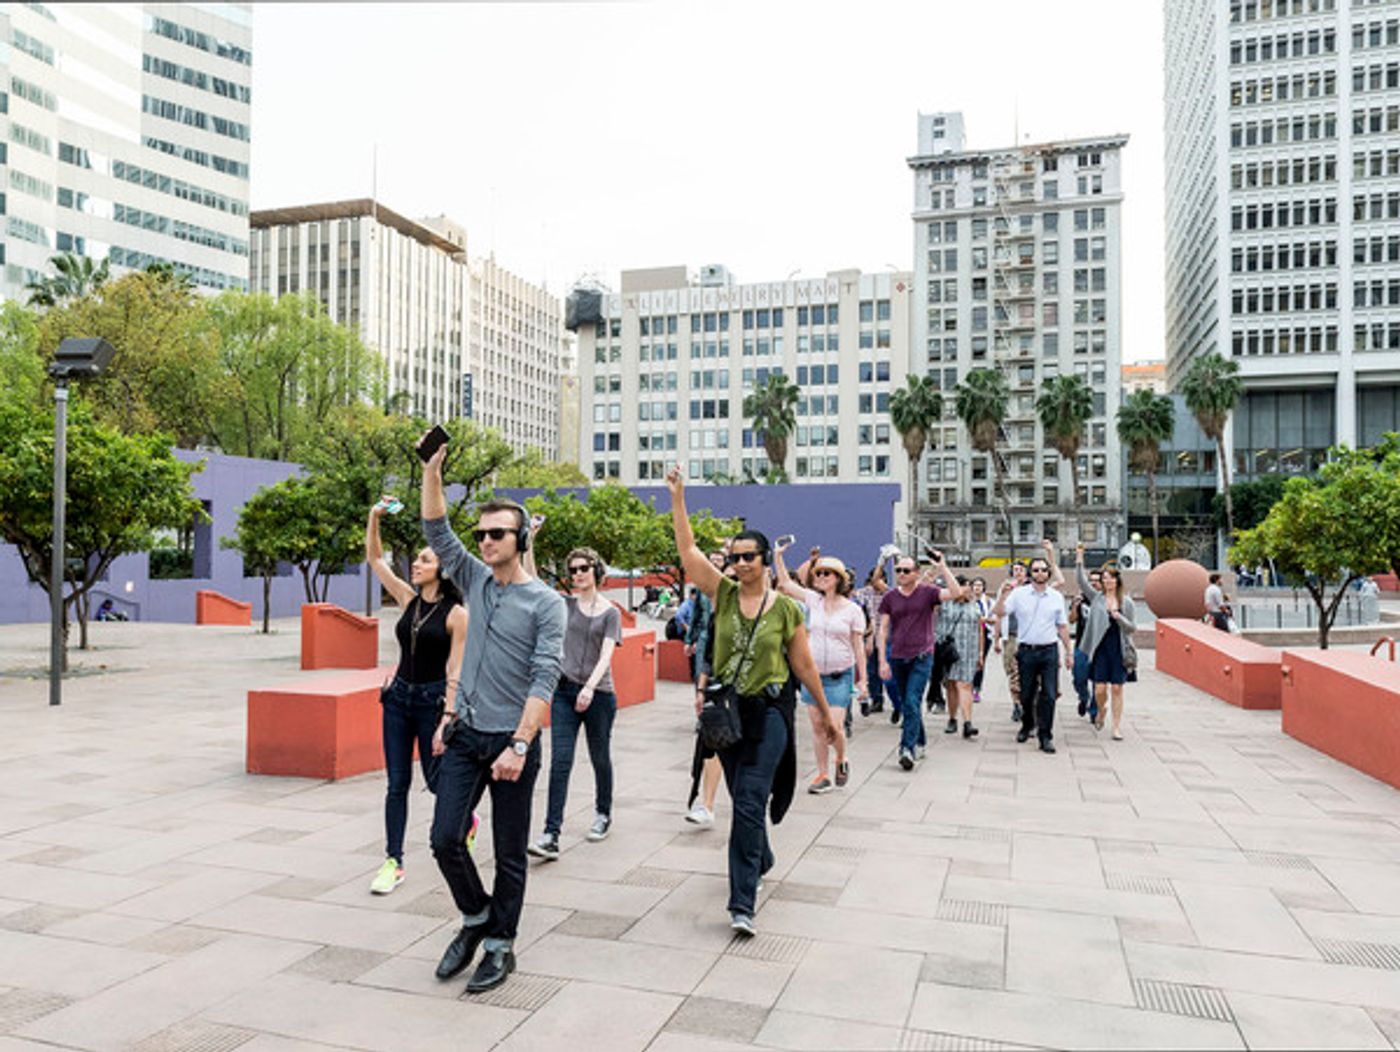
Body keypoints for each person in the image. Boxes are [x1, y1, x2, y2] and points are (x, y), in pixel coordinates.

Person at [667, 465, 841, 937]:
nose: (740, 564)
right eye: (735, 557)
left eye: (749, 557)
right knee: (743, 801)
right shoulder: (721, 595)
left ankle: (741, 903)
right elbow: (687, 552)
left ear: (766, 561)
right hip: (728, 717)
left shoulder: (787, 608)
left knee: (748, 801)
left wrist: (827, 717)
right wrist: (678, 497)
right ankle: (761, 856)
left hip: (770, 714)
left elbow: (804, 667)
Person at [419, 438, 566, 995]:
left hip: (511, 742)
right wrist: (433, 469)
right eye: (481, 534)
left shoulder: (547, 604)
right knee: (444, 838)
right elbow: (437, 529)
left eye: (496, 533)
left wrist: (522, 743)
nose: (484, 541)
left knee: (509, 852)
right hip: (465, 734)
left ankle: (502, 945)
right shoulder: (476, 579)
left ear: (521, 538)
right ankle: (478, 917)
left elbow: (544, 676)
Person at [364, 499, 470, 897]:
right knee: (397, 784)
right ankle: (394, 860)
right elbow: (375, 558)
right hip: (397, 700)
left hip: (431, 703)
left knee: (436, 781)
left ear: (441, 567)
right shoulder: (408, 600)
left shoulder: (457, 614)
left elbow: (455, 668)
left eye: (424, 560)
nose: (416, 564)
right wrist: (374, 518)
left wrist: (448, 714)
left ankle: (466, 822)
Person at [528, 547, 623, 861]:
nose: (578, 574)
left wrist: (591, 688)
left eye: (583, 568)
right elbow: (532, 581)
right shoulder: (564, 605)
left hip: (599, 695)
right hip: (565, 692)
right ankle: (551, 834)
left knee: (599, 756)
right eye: (573, 570)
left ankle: (603, 813)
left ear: (596, 570)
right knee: (561, 762)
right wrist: (531, 543)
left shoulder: (611, 612)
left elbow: (607, 654)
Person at [774, 542, 866, 794]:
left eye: (827, 573)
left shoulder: (853, 610)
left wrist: (864, 680)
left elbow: (858, 647)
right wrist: (778, 556)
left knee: (833, 726)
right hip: (813, 675)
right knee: (816, 726)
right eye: (818, 573)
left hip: (839, 676)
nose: (821, 577)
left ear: (838, 579)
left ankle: (841, 758)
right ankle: (822, 774)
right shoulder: (812, 601)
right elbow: (784, 584)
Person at [877, 549, 967, 771]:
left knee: (911, 701)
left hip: (922, 656)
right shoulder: (890, 597)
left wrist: (943, 566)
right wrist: (882, 661)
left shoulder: (928, 592)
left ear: (917, 573)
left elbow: (955, 592)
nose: (901, 574)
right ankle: (921, 741)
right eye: (898, 570)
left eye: (906, 570)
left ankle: (906, 749)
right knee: (911, 703)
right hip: (898, 656)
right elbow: (883, 630)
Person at [992, 554, 1072, 755]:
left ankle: (1046, 736)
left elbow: (1062, 626)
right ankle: (1027, 725)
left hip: (1049, 651)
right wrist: (1003, 595)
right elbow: (999, 612)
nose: (1040, 573)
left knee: (1050, 695)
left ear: (1048, 573)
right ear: (1030, 573)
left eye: (1044, 570)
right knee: (1026, 695)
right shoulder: (1019, 595)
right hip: (1026, 651)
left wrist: (1069, 651)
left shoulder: (1056, 597)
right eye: (1035, 570)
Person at [1077, 550, 1138, 740]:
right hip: (1100, 649)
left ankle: (1116, 727)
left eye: (1111, 578)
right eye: (1105, 578)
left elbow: (1132, 628)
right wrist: (1080, 557)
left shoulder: (1126, 602)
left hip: (1119, 649)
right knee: (1100, 689)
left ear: (1117, 581)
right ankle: (1101, 709)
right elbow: (1081, 581)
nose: (1108, 581)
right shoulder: (1096, 598)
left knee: (1117, 688)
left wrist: (1119, 617)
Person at [936, 574, 983, 739]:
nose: (967, 589)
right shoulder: (944, 605)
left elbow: (979, 629)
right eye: (963, 585)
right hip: (950, 652)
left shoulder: (974, 605)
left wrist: (981, 653)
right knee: (951, 685)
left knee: (965, 685)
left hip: (969, 651)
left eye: (968, 586)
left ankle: (968, 723)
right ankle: (952, 718)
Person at [853, 567, 891, 716]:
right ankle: (876, 699)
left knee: (887, 671)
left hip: (888, 637)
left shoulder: (890, 594)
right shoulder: (864, 593)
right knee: (871, 670)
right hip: (869, 636)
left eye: (882, 579)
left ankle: (896, 701)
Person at [994, 561, 1028, 721]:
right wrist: (996, 639)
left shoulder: (1032, 588)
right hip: (1011, 636)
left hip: (1028, 636)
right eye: (1015, 570)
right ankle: (1016, 704)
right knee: (1012, 672)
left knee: (1026, 673)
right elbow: (999, 614)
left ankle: (1025, 703)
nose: (1018, 572)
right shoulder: (1005, 589)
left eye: (1021, 570)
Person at [1070, 566, 1103, 721]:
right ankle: (1084, 697)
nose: (1095, 584)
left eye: (1098, 581)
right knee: (1079, 678)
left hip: (1100, 648)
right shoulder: (1081, 599)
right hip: (1082, 645)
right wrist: (1075, 606)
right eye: (1092, 581)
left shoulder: (1105, 601)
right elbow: (1071, 620)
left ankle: (1094, 710)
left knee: (1099, 682)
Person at [970, 578, 994, 704]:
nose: (977, 588)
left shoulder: (989, 602)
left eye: (980, 585)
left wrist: (984, 620)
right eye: (975, 585)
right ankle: (967, 687)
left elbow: (995, 619)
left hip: (985, 633)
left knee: (980, 661)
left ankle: (976, 689)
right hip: (970, 633)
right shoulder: (968, 600)